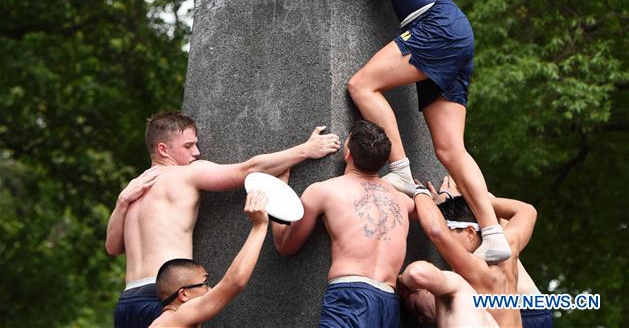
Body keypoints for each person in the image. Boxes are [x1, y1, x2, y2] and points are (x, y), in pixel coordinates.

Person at [309, 0, 510, 263]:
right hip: (454, 32)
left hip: (434, 26)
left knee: (361, 85)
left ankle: (399, 168)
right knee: (450, 149)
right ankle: (492, 233)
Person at [107, 110, 340, 328]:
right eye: (188, 146)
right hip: (167, 297)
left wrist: (121, 202)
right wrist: (306, 150)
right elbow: (248, 170)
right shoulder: (187, 173)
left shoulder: (134, 188)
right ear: (163, 149)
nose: (196, 152)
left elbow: (113, 247)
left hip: (128, 301)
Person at [272, 119, 415, 328]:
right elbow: (424, 211)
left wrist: (277, 191)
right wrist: (424, 192)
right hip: (388, 304)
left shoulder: (324, 191)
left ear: (347, 153)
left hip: (351, 298)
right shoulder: (403, 201)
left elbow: (285, 245)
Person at [409, 177, 537, 328]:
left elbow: (437, 232)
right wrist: (467, 203)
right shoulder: (507, 249)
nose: (445, 243)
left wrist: (419, 193)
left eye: (448, 230)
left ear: (470, 232)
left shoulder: (476, 268)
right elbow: (527, 211)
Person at [147, 190, 269, 327]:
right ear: (183, 294)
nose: (211, 290)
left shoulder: (162, 322)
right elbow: (234, 283)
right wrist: (259, 226)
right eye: (205, 283)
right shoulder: (181, 315)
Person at [398, 261, 498, 328]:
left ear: (426, 289)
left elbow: (416, 273)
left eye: (416, 308)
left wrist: (400, 280)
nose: (421, 318)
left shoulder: (460, 291)